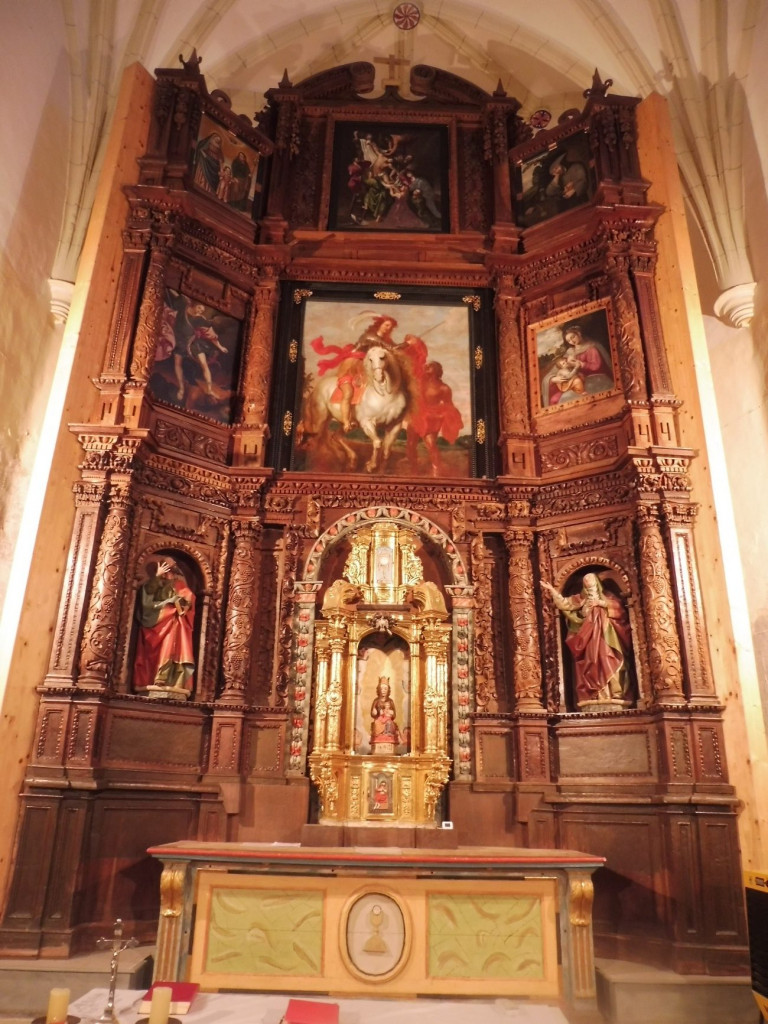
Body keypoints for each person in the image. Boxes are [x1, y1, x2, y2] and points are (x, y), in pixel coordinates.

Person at [541, 572, 632, 706]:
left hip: (606, 635)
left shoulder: (608, 597)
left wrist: (601, 603)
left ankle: (616, 692)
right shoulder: (581, 598)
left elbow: (619, 609)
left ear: (596, 581)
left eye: (590, 578)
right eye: (585, 579)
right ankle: (595, 694)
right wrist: (552, 591)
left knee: (609, 658)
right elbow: (566, 604)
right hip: (589, 637)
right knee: (592, 663)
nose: (588, 580)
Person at [310, 315, 398, 432]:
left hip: (366, 367)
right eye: (386, 325)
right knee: (349, 392)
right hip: (353, 365)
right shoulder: (370, 336)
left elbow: (393, 349)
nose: (388, 328)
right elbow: (391, 348)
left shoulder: (386, 340)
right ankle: (346, 421)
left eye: (391, 327)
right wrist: (407, 343)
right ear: (380, 324)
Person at [133, 559, 196, 693]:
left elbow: (188, 599)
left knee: (173, 649)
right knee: (159, 650)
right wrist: (167, 602)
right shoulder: (155, 584)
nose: (167, 573)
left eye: (169, 570)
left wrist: (180, 603)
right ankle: (154, 679)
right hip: (158, 624)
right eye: (164, 569)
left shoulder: (178, 585)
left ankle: (171, 681)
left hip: (175, 625)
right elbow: (147, 600)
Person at [542, 322, 613, 406]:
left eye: (573, 337)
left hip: (594, 378)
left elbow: (596, 366)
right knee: (555, 398)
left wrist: (582, 364)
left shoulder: (591, 348)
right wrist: (553, 379)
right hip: (575, 379)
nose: (572, 341)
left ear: (579, 333)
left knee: (569, 397)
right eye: (569, 341)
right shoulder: (570, 352)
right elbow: (558, 367)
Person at [370, 677, 400, 749]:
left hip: (388, 719)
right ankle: (379, 736)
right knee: (376, 723)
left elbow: (394, 714)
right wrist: (375, 712)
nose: (383, 691)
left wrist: (390, 713)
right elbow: (372, 713)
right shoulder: (376, 701)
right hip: (379, 719)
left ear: (388, 690)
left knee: (389, 723)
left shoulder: (390, 701)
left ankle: (387, 735)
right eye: (381, 689)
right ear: (379, 690)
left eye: (385, 689)